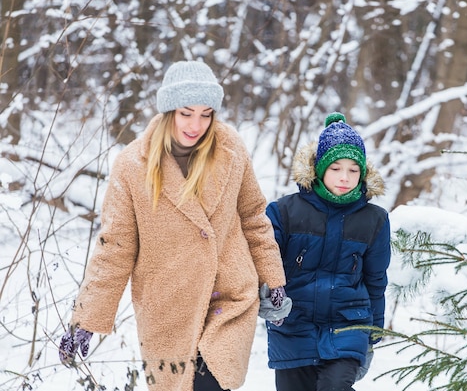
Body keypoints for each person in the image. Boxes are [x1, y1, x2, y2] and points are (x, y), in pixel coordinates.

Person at [58, 60, 291, 391]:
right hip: (167, 311)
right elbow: (116, 247)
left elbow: (254, 215)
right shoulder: (132, 166)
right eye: (187, 113)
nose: (196, 124)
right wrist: (86, 318)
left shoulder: (231, 149)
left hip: (228, 299)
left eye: (206, 113)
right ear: (169, 111)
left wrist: (273, 279)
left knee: (211, 383)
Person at [264, 112, 391, 391]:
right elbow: (263, 263)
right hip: (293, 325)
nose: (345, 178)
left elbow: (375, 279)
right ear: (319, 168)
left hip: (348, 326)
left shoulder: (375, 219)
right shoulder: (284, 212)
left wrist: (373, 333)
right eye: (335, 168)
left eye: (353, 170)